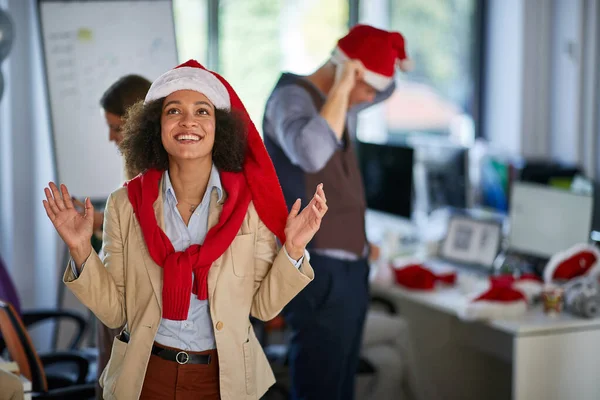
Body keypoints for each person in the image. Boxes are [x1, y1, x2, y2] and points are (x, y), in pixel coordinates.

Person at [43, 59, 327, 400]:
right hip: (146, 377)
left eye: (202, 111)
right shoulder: (125, 204)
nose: (188, 120)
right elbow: (115, 311)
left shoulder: (249, 207)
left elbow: (263, 308)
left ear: (220, 127)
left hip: (224, 382)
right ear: (156, 126)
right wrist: (80, 250)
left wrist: (293, 250)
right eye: (173, 111)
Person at [263, 24, 411, 399]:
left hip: (349, 270)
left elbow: (384, 87)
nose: (368, 99)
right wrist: (345, 84)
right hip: (320, 271)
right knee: (321, 387)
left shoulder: (343, 102)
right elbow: (311, 152)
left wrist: (393, 53)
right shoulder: (292, 98)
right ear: (349, 73)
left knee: (341, 386)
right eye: (366, 88)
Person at [94, 74, 152, 400]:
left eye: (116, 128)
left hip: (135, 309)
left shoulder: (160, 175)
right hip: (118, 299)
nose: (110, 138)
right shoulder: (133, 170)